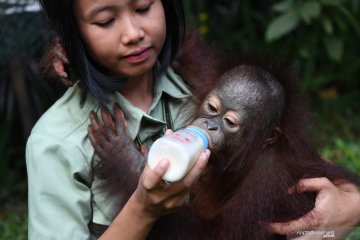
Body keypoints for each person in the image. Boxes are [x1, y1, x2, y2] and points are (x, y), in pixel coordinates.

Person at [26, 0, 360, 240]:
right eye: (104, 21)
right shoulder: (59, 143)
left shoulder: (265, 176)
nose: (133, 34)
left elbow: (201, 233)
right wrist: (78, 51)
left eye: (143, 8)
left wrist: (349, 209)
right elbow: (188, 47)